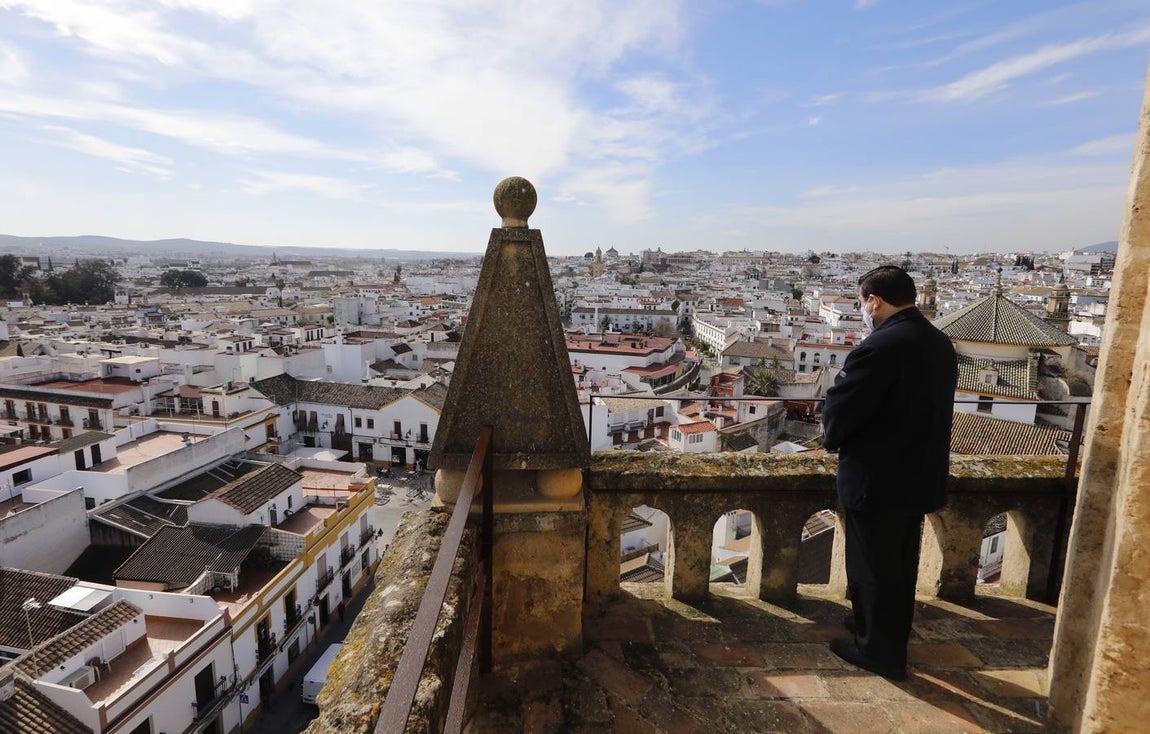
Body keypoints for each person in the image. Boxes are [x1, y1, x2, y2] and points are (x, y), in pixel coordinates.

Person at [821, 265, 957, 681]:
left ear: (874, 300)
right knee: (899, 564)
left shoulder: (879, 347)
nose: (864, 310)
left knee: (872, 565)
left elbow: (841, 409)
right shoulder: (939, 343)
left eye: (863, 302)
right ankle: (877, 628)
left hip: (877, 477)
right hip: (919, 474)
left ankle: (878, 651)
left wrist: (831, 435)